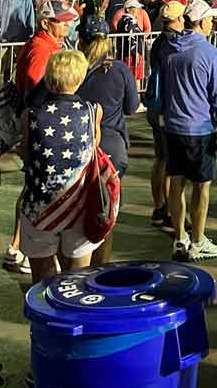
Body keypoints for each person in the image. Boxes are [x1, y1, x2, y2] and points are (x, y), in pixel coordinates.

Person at [17, 49, 101, 282]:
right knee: (78, 279)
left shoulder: (30, 116)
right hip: (79, 204)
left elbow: (25, 152)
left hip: (39, 204)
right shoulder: (92, 112)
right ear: (80, 77)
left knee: (42, 280)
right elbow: (93, 150)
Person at [157, 0, 217, 261]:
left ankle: (180, 238)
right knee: (202, 187)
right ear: (201, 22)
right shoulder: (210, 54)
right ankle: (198, 241)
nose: (213, 23)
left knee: (176, 183)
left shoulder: (169, 49)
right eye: (210, 19)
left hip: (173, 126)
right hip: (200, 128)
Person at [74, 21, 139, 265]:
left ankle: (75, 276)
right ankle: (99, 273)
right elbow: (131, 107)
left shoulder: (73, 69)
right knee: (105, 217)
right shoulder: (120, 70)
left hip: (78, 148)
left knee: (77, 217)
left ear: (81, 41)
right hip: (111, 149)